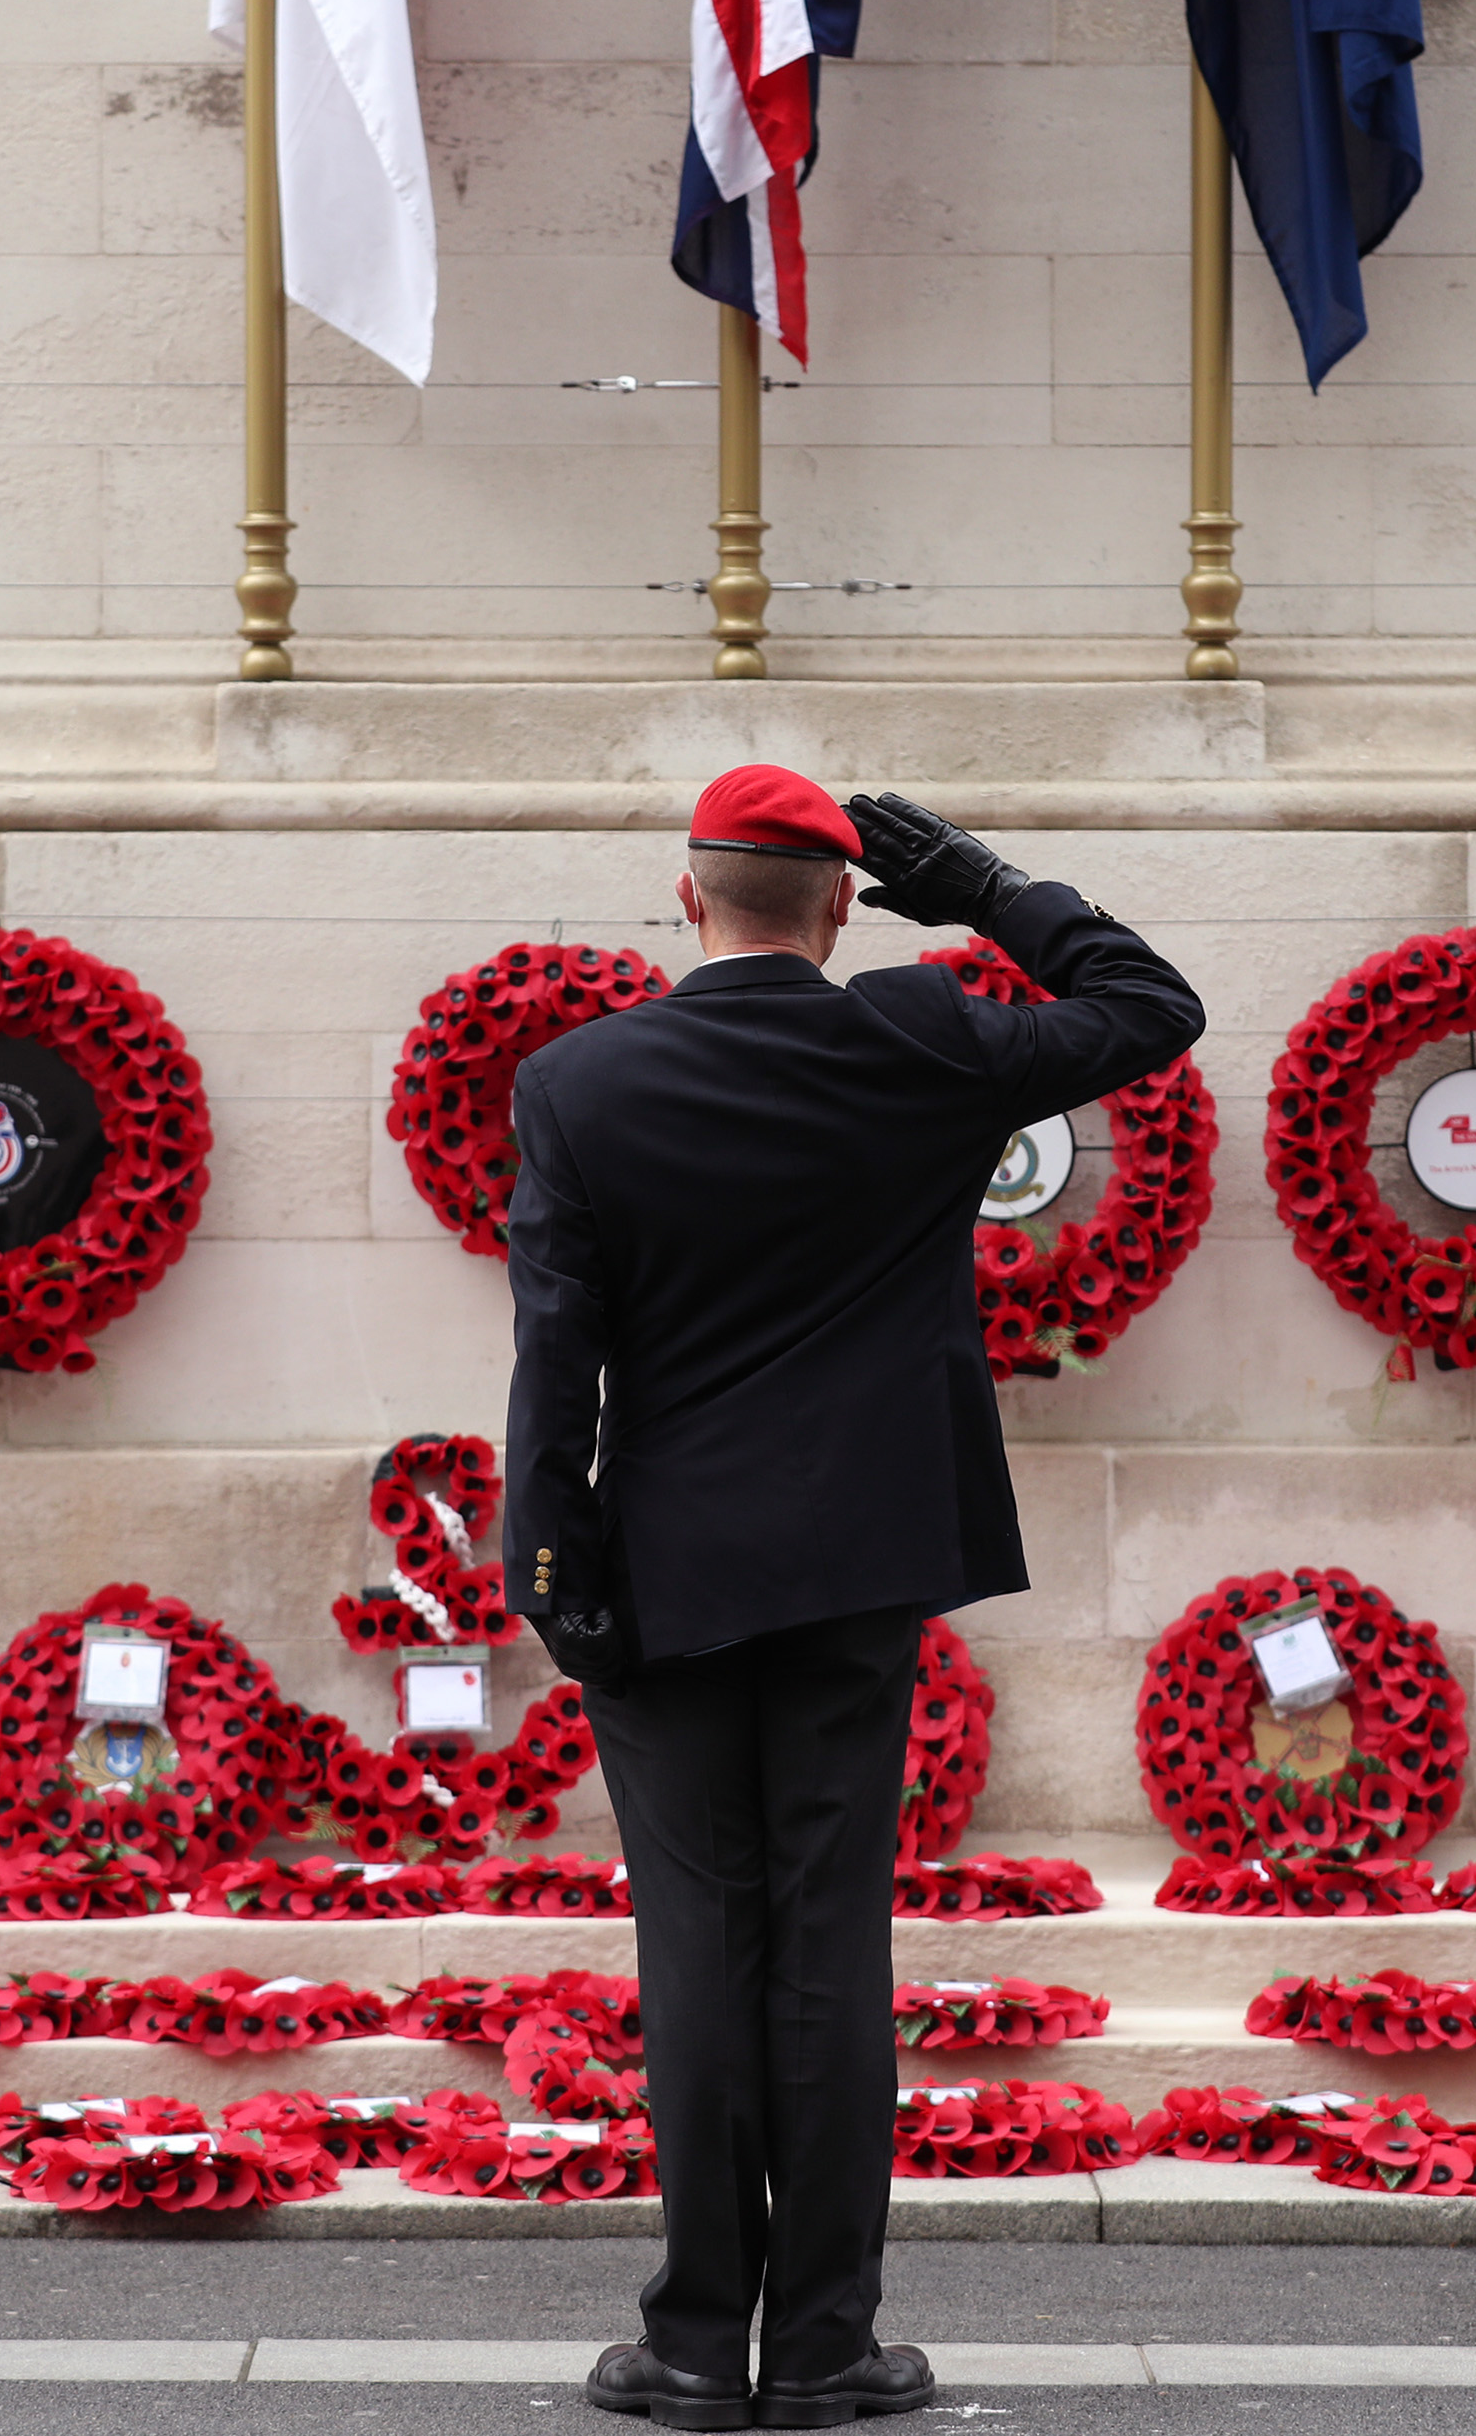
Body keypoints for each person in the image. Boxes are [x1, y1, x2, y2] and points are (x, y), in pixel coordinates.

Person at [503, 766, 1205, 2431]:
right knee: (824, 1942)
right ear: (837, 905)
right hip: (857, 1566)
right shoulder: (919, 1035)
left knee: (695, 1943)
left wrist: (550, 1564)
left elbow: (556, 1353)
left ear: (687, 900)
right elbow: (1150, 1006)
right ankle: (820, 2342)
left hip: (662, 1566)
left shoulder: (576, 1079)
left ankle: (691, 2339)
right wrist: (972, 881)